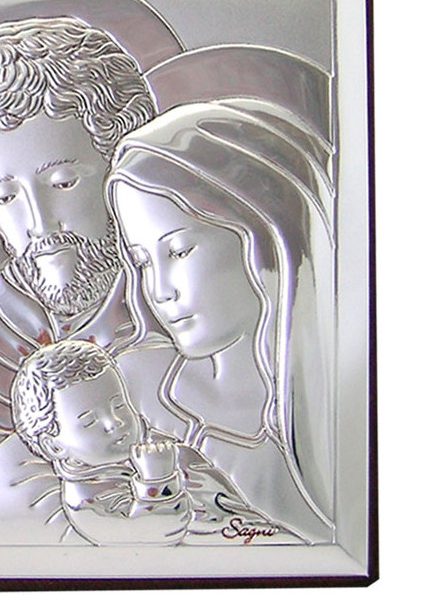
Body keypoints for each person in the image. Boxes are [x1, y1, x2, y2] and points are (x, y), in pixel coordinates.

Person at [0, 15, 173, 538]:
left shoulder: (181, 276)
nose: (40, 225)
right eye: (5, 197)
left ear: (120, 167)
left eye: (62, 182)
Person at [107, 97, 336, 542]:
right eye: (143, 261)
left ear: (263, 236)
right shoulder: (124, 392)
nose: (160, 290)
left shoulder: (328, 416)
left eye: (179, 251)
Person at [9, 340, 284, 546]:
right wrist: (157, 480)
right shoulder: (88, 502)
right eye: (90, 421)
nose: (114, 422)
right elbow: (150, 537)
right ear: (54, 446)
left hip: (252, 534)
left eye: (119, 405)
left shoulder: (160, 447)